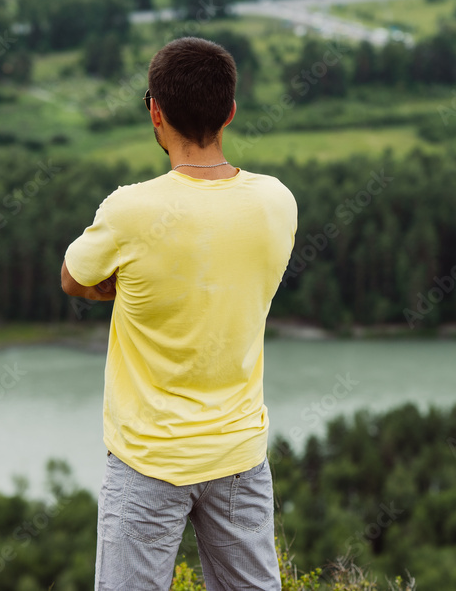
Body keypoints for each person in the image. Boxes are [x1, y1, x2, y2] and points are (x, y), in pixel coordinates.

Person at [61, 36, 298, 590]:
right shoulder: (276, 201)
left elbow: (74, 278)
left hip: (149, 456)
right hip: (239, 452)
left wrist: (130, 289)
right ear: (230, 113)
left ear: (155, 111)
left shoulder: (130, 210)